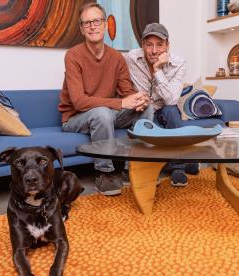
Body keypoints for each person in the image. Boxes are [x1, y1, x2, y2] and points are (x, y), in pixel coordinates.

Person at [58, 2, 154, 196]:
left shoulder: (117, 57)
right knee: (102, 114)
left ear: (105, 24)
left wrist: (138, 98)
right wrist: (120, 103)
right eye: (87, 23)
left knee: (147, 108)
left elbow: (126, 91)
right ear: (82, 29)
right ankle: (105, 173)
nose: (93, 26)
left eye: (97, 21)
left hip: (107, 114)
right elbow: (78, 101)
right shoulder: (73, 56)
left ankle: (131, 169)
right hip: (75, 117)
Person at [124, 23, 200, 187]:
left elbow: (171, 100)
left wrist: (157, 70)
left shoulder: (178, 63)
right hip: (144, 112)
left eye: (159, 44)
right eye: (149, 44)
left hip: (166, 110)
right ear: (142, 45)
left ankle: (178, 168)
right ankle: (186, 162)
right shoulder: (131, 59)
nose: (154, 50)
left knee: (172, 110)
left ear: (167, 45)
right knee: (146, 115)